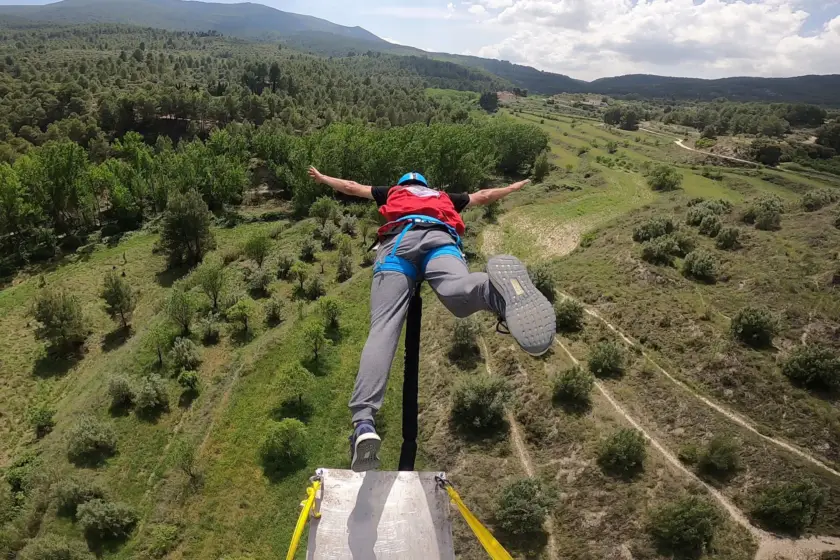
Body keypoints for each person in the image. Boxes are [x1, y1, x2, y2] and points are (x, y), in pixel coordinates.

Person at [307, 167, 556, 472]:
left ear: (403, 184)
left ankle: (364, 424)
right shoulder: (444, 196)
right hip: (441, 240)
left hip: (400, 243)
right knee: (458, 293)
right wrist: (513, 187)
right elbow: (485, 196)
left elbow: (351, 185)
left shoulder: (393, 192)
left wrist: (321, 178)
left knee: (383, 329)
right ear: (426, 185)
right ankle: (495, 293)